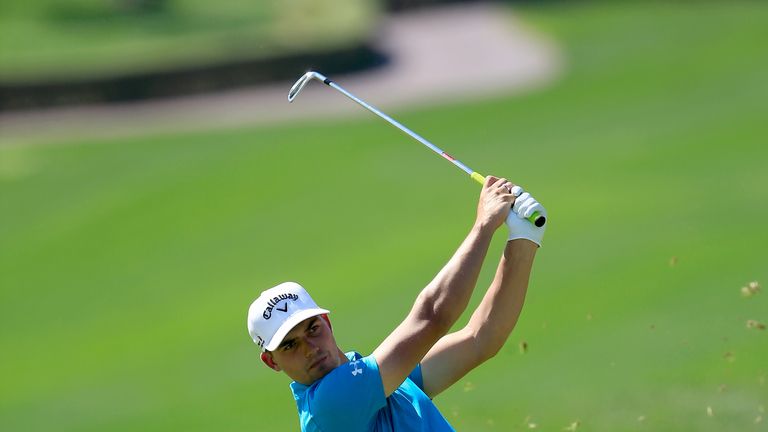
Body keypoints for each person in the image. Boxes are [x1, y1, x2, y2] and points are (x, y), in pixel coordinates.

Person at [247, 176, 546, 431]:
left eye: (312, 329)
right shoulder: (330, 404)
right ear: (272, 361)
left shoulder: (376, 381)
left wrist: (524, 237)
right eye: (290, 345)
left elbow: (481, 338)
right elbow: (433, 316)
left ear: (326, 322)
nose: (309, 348)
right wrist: (484, 224)